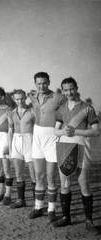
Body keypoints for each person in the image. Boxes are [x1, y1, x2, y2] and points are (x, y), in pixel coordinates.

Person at [52, 77, 100, 234]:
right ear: (62, 90)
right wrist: (63, 131)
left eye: (71, 89)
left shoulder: (87, 107)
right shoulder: (61, 109)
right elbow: (56, 131)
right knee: (65, 183)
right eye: (65, 90)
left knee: (84, 184)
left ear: (76, 88)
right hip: (64, 147)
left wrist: (76, 131)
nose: (69, 92)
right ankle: (66, 217)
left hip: (81, 146)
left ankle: (89, 221)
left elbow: (96, 131)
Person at [28, 72, 67, 222]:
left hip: (52, 137)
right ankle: (38, 207)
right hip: (37, 136)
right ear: (35, 84)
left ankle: (51, 209)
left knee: (51, 176)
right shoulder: (33, 97)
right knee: (39, 176)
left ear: (49, 82)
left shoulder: (58, 97)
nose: (41, 86)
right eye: (38, 83)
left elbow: (69, 110)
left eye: (44, 83)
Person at [8, 90, 36, 208]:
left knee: (34, 175)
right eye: (17, 99)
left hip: (30, 141)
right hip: (16, 141)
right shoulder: (11, 113)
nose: (20, 101)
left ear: (26, 98)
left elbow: (37, 130)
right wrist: (10, 149)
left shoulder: (33, 112)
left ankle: (37, 203)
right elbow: (10, 132)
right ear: (14, 100)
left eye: (22, 98)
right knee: (19, 174)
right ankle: (21, 200)